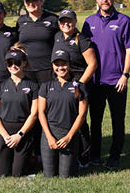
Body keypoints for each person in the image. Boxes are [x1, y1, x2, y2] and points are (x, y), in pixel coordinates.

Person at [81, 0, 130, 169]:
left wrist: (125, 75)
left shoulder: (124, 20)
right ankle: (95, 155)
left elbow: (129, 50)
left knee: (117, 120)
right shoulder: (89, 22)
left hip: (116, 81)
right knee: (95, 121)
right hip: (95, 81)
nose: (104, 0)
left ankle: (114, 156)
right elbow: (83, 51)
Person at [53, 9, 97, 167]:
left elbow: (92, 64)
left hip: (78, 84)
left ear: (75, 21)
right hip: (62, 84)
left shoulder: (82, 39)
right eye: (63, 21)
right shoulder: (57, 37)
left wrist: (79, 84)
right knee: (66, 118)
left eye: (69, 20)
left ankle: (85, 156)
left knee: (80, 120)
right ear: (59, 23)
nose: (66, 23)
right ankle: (69, 152)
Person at [38, 50, 88, 178]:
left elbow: (82, 115)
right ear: (53, 66)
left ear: (69, 64)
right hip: (50, 133)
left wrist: (69, 137)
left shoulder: (79, 86)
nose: (61, 68)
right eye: (57, 64)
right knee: (49, 176)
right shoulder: (46, 86)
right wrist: (49, 137)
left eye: (64, 64)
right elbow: (41, 112)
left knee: (66, 176)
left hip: (69, 133)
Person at [0, 45, 38, 177]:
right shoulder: (0, 86)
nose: (13, 66)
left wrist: (20, 135)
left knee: (18, 173)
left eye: (17, 62)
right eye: (9, 63)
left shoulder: (33, 86)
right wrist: (5, 136)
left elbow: (34, 114)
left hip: (23, 131)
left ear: (24, 63)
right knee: (4, 173)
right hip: (3, 131)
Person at [16, 0, 59, 85]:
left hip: (48, 69)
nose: (31, 4)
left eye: (34, 0)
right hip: (26, 69)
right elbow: (17, 42)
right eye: (28, 1)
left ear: (42, 1)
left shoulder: (53, 19)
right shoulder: (21, 21)